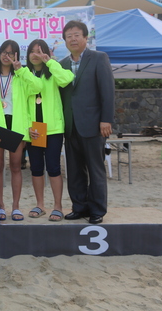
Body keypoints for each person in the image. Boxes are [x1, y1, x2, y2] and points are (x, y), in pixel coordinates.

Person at [60, 21, 115, 224]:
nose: (73, 39)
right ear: (65, 41)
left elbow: (107, 91)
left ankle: (97, 210)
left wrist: (106, 119)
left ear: (85, 38)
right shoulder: (62, 64)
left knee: (95, 169)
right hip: (70, 125)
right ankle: (79, 207)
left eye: (76, 35)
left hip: (93, 124)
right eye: (69, 36)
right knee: (74, 170)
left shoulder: (99, 58)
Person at [0, 40, 40, 221]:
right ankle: (0, 206)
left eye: (11, 53)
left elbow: (38, 87)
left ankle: (16, 207)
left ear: (16, 56)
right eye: (4, 52)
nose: (6, 56)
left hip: (17, 124)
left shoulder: (21, 75)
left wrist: (21, 70)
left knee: (16, 166)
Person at [25, 39, 74, 222]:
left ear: (46, 53)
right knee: (36, 168)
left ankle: (58, 206)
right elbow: (21, 104)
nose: (35, 55)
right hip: (34, 129)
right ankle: (40, 205)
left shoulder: (53, 71)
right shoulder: (23, 74)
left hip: (52, 129)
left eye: (39, 51)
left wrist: (50, 62)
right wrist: (28, 127)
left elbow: (67, 79)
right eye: (32, 51)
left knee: (53, 168)